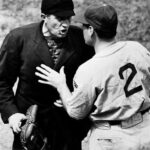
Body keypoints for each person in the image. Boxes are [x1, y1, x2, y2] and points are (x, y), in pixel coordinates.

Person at [35, 2, 150, 150]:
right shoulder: (135, 48)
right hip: (146, 128)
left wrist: (61, 85)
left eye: (84, 26)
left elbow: (76, 112)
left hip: (112, 138)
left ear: (91, 30)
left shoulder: (89, 69)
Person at [0, 0, 94, 149]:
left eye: (69, 18)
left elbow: (93, 80)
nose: (66, 24)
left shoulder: (80, 39)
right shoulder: (18, 38)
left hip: (67, 130)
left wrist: (81, 117)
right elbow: (2, 82)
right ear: (44, 16)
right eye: (60, 19)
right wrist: (12, 114)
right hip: (30, 128)